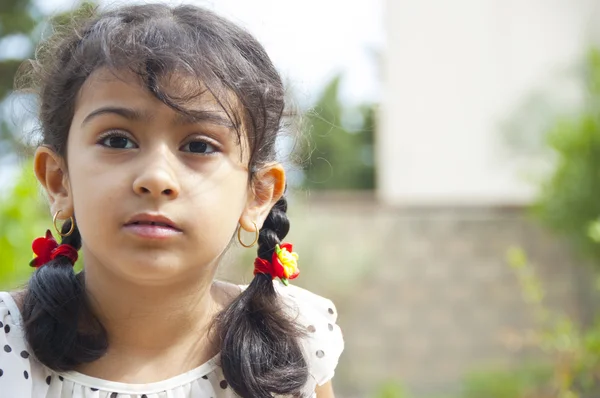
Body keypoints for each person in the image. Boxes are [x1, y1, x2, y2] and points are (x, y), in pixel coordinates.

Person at [0, 3, 344, 397]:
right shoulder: (8, 351)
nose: (156, 178)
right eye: (117, 140)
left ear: (258, 195)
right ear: (59, 181)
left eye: (199, 145)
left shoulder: (294, 343)